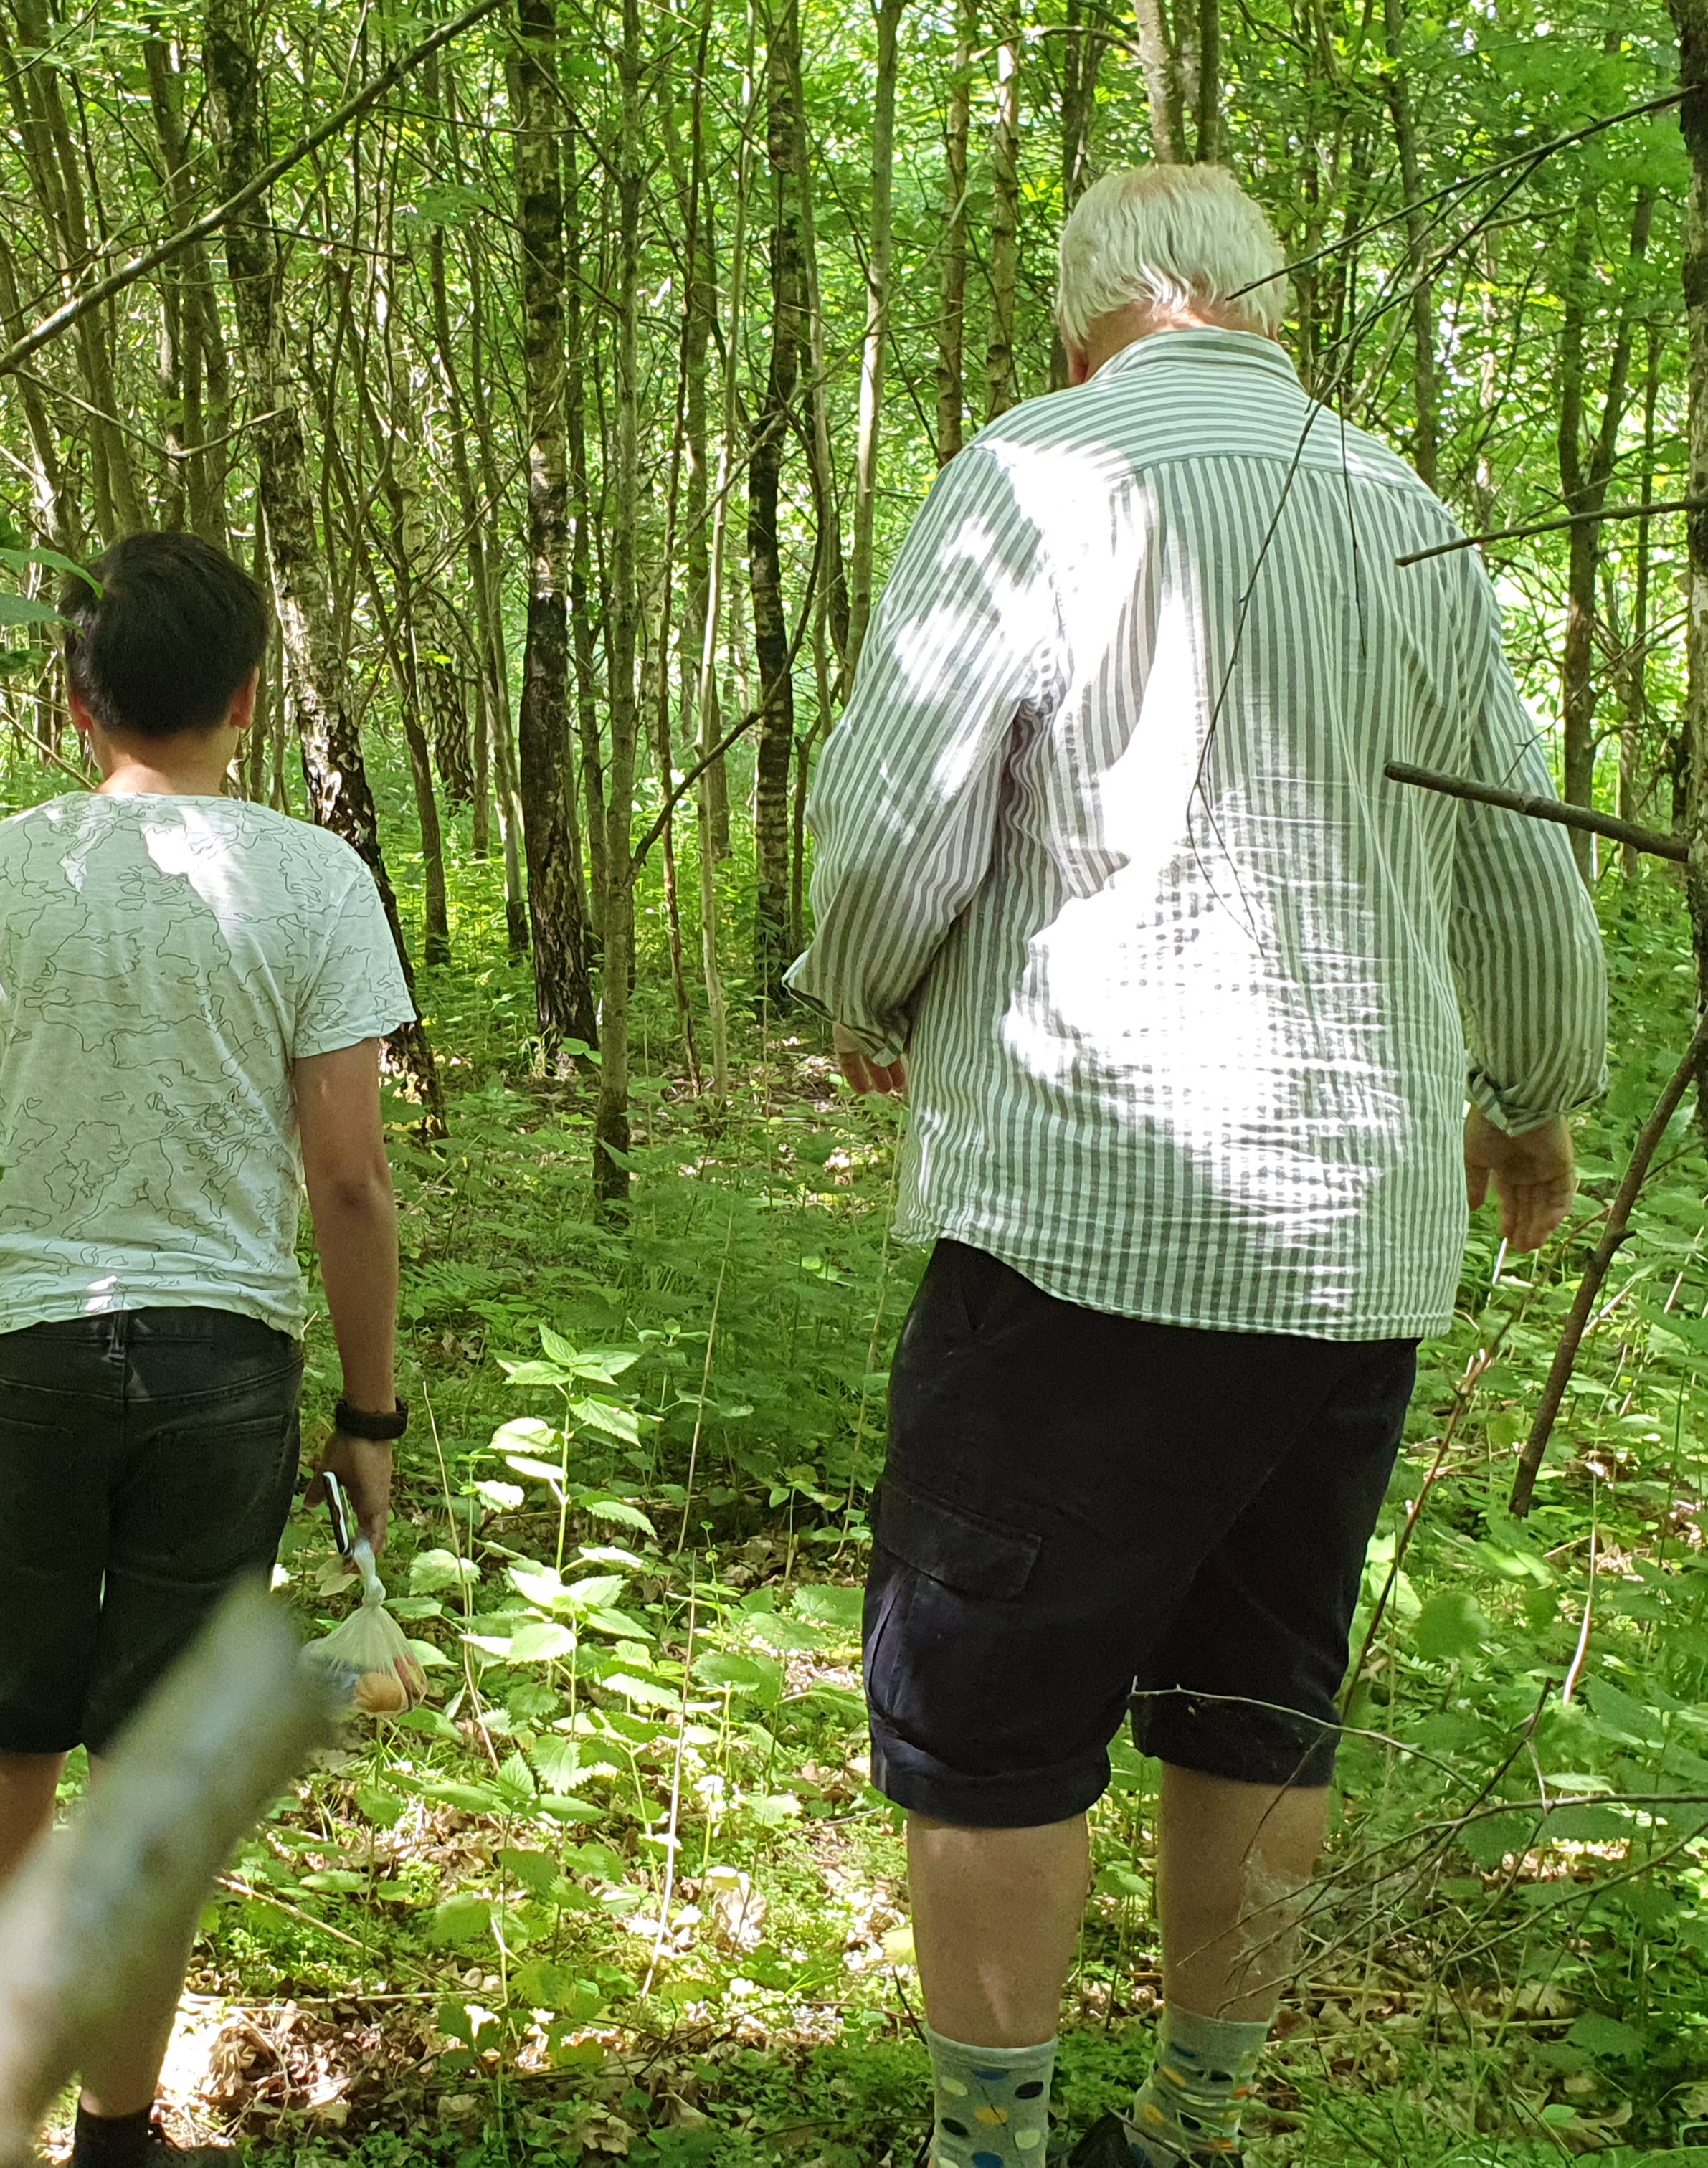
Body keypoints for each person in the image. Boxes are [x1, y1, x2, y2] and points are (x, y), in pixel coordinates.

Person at [792, 165, 1607, 2168]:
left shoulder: (1033, 473)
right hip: (1352, 1230)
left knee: (991, 1715)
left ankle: (993, 2147)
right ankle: (1191, 2132)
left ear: (1085, 320)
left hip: (1085, 1216)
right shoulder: (1402, 506)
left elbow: (898, 818)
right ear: (1267, 307)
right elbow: (1514, 839)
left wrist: (863, 989)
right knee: (1262, 1696)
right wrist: (1538, 1086)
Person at [0, 531, 414, 2168]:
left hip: (26, 1351)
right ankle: (118, 2138)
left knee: (6, 1738)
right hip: (219, 1362)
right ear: (249, 698)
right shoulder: (314, 880)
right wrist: (372, 1415)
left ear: (75, 701)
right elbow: (350, 1177)